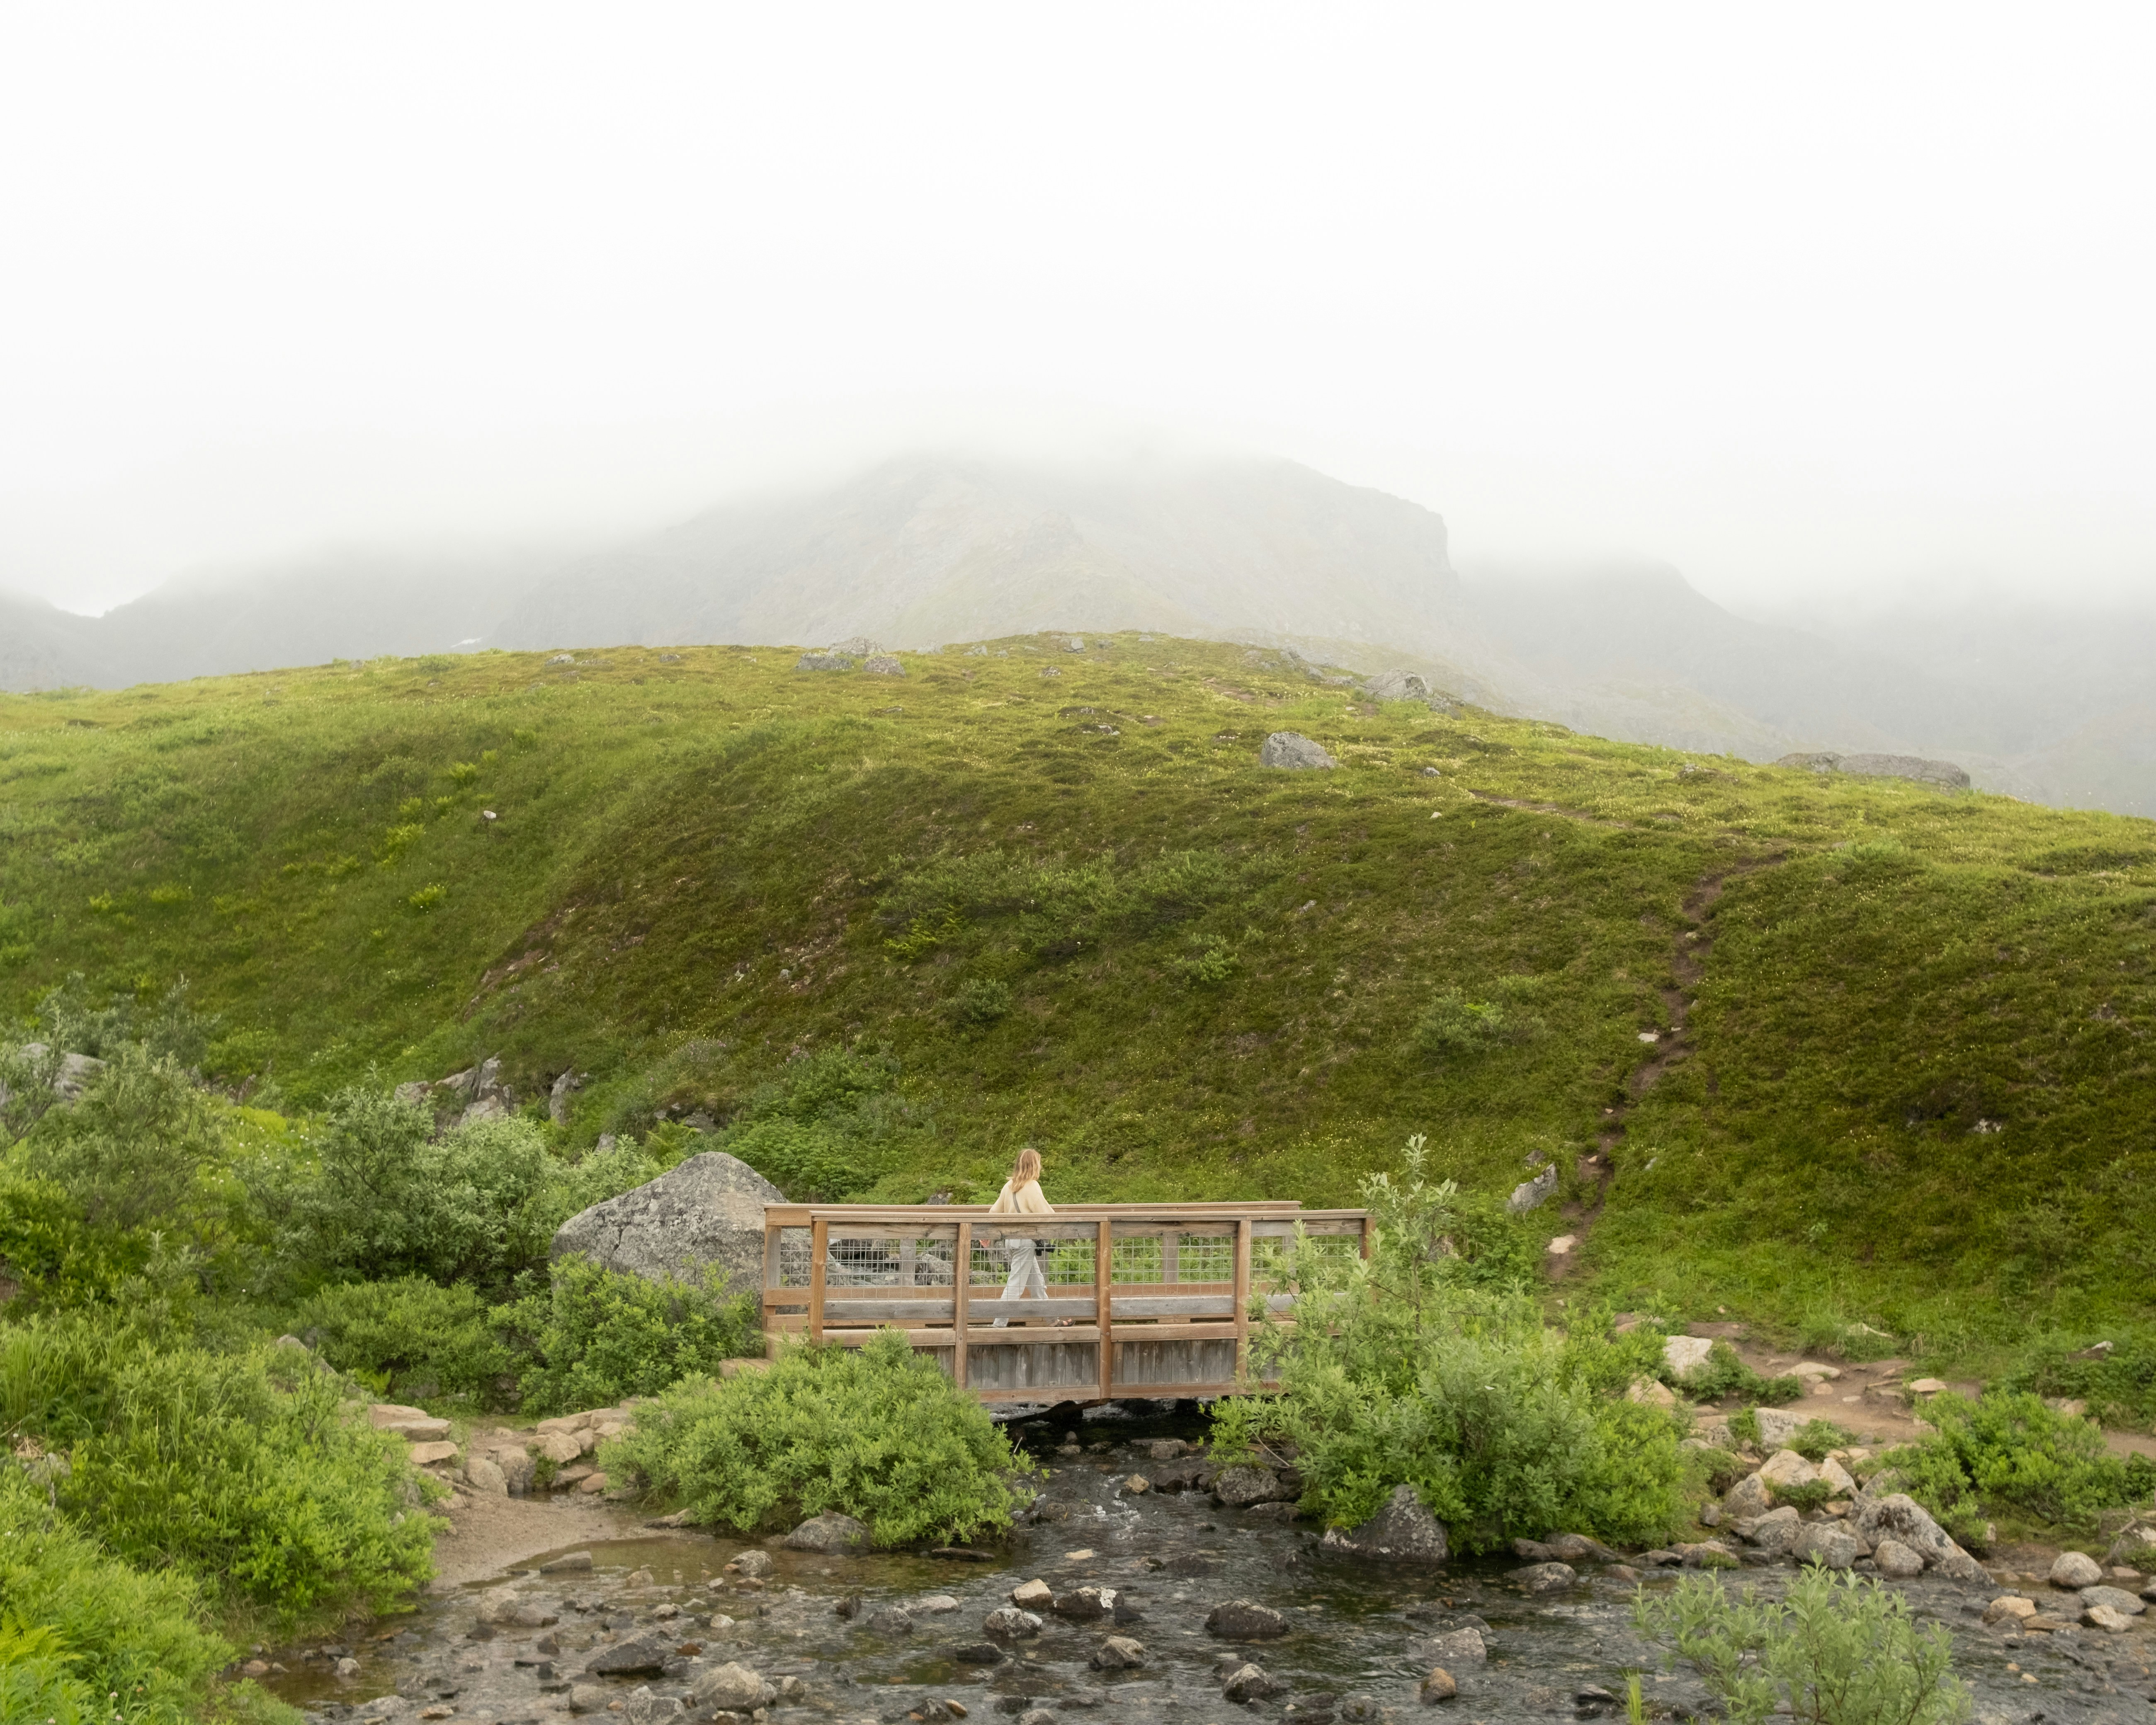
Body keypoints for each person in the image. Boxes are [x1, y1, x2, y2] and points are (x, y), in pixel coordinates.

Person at [987, 1147, 1053, 1327]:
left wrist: (987, 1235)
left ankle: (1052, 1320)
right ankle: (998, 1324)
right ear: (1034, 1166)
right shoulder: (1032, 1187)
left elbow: (994, 1213)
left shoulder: (1008, 1186)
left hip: (1011, 1241)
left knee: (1036, 1284)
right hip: (1026, 1242)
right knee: (1016, 1284)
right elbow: (1048, 1214)